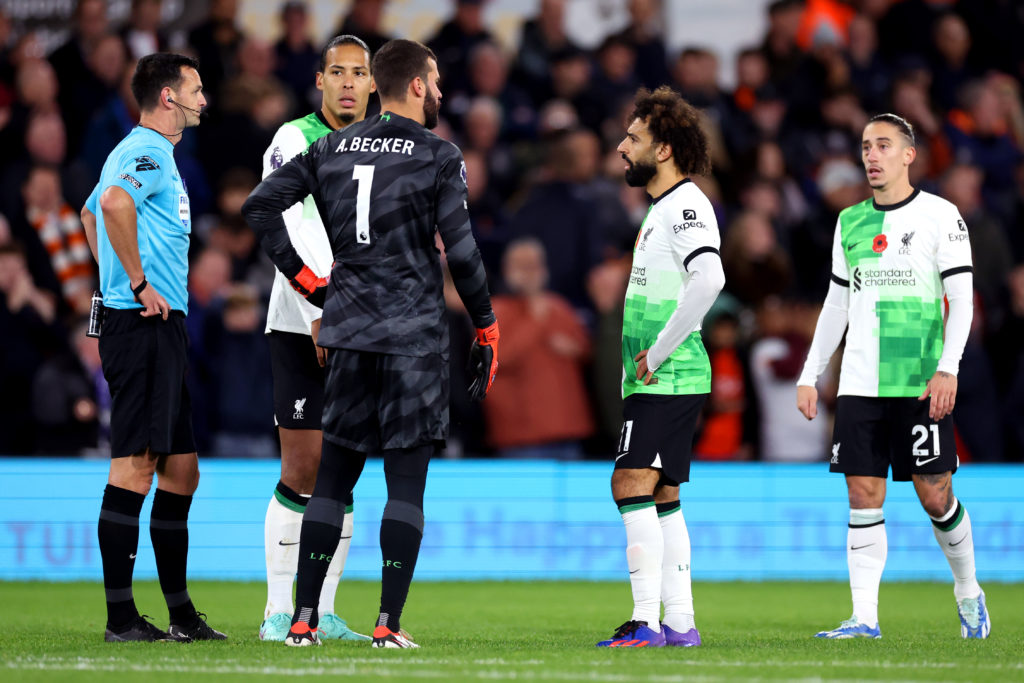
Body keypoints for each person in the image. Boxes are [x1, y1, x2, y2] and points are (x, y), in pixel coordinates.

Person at [242, 38, 498, 649]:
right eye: (434, 81)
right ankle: (387, 622)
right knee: (404, 483)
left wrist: (310, 283)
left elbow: (258, 208)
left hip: (347, 336)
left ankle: (303, 619)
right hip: (410, 341)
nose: (439, 92)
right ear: (414, 85)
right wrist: (485, 324)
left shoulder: (329, 146)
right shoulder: (439, 155)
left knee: (332, 480)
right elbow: (461, 251)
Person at [796, 113, 989, 639]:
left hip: (919, 381)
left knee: (934, 494)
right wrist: (811, 373)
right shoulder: (850, 222)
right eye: (865, 147)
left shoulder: (941, 216)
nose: (872, 155)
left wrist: (948, 367)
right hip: (860, 382)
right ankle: (864, 618)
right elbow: (836, 303)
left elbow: (962, 301)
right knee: (863, 493)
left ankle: (969, 591)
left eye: (883, 145)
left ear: (909, 155)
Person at [78, 53, 226, 642]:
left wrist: (113, 271)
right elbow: (112, 206)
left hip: (156, 326)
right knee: (135, 467)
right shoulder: (147, 153)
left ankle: (182, 615)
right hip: (142, 325)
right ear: (168, 96)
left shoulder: (140, 152)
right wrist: (134, 283)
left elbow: (90, 212)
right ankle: (120, 620)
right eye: (194, 89)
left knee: (181, 471)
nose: (202, 99)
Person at [257, 34, 375, 643]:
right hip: (302, 319)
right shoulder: (294, 139)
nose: (349, 82)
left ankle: (323, 611)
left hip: (363, 324)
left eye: (359, 72)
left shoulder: (381, 148)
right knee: (302, 464)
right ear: (321, 81)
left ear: (373, 83)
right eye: (338, 72)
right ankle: (280, 609)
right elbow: (289, 225)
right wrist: (317, 307)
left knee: (344, 468)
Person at [597, 86, 724, 648]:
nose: (622, 148)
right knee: (663, 494)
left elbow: (711, 278)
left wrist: (661, 350)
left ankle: (645, 620)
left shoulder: (687, 205)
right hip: (658, 376)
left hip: (667, 376)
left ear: (664, 149)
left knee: (630, 480)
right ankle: (680, 623)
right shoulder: (664, 208)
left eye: (633, 138)